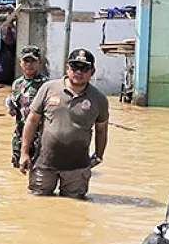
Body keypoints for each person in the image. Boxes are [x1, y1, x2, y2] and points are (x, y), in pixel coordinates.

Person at [19, 48, 109, 198]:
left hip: (77, 167)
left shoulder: (98, 99)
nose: (78, 72)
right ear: (67, 68)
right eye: (74, 67)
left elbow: (102, 130)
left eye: (84, 68)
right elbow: (32, 120)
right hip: (44, 163)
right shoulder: (49, 88)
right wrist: (24, 152)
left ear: (92, 72)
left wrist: (99, 155)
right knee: (37, 206)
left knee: (75, 209)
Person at [6, 45, 49, 168]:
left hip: (40, 137)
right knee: (18, 171)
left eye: (33, 61)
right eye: (26, 61)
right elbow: (15, 106)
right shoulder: (17, 84)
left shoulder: (46, 85)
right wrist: (11, 109)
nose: (29, 65)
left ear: (39, 62)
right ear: (20, 62)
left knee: (39, 172)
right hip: (20, 135)